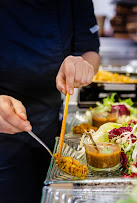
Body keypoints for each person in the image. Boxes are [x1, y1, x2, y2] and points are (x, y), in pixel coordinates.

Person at [0, 0, 100, 202]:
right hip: (2, 114)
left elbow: (90, 51)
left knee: (42, 191)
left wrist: (82, 66)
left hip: (49, 114)